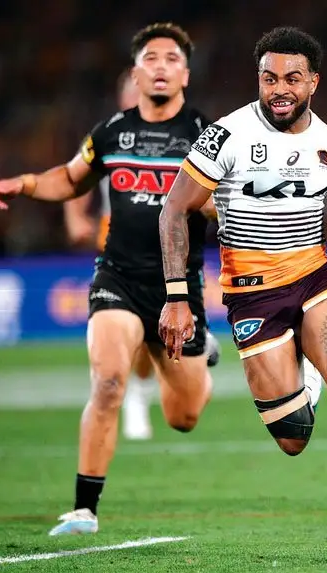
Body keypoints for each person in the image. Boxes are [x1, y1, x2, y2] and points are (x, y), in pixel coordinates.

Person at [157, 26, 327, 564]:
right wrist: (178, 297)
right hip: (252, 294)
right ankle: (308, 370)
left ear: (313, 82)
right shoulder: (225, 137)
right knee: (294, 437)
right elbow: (175, 209)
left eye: (292, 78)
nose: (279, 88)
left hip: (314, 278)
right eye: (269, 77)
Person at [0, 22, 217, 536]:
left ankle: (203, 362)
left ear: (186, 72)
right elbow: (71, 178)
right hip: (117, 277)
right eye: (150, 59)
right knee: (109, 381)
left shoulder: (208, 135)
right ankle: (84, 509)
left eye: (171, 59)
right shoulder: (112, 131)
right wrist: (24, 183)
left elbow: (228, 208)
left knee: (184, 417)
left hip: (179, 290)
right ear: (135, 73)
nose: (160, 66)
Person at [61, 68, 213, 441]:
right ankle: (133, 399)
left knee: (153, 344)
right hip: (119, 247)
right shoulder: (114, 133)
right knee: (127, 330)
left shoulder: (184, 135)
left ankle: (160, 380)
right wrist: (75, 217)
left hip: (173, 253)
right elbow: (77, 177)